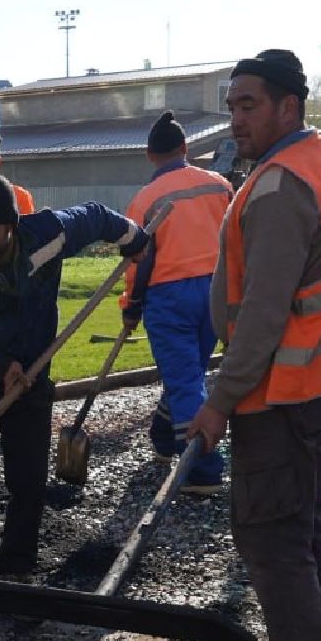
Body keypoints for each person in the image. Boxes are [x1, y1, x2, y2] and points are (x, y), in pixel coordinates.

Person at [183, 49, 321, 641]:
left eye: (248, 104)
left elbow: (260, 311)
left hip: (281, 388)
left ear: (289, 105)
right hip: (315, 379)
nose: (235, 119)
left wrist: (217, 401)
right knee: (303, 524)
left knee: (270, 535)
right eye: (230, 106)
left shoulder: (280, 184)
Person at [0, 171, 152, 635]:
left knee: (28, 481)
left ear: (11, 225)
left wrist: (135, 240)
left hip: (32, 376)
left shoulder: (48, 234)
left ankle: (15, 574)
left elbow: (97, 217)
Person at [122, 109, 233, 494]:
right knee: (188, 373)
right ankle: (165, 438)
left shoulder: (146, 198)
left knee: (185, 379)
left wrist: (130, 306)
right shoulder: (220, 185)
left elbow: (139, 260)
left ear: (150, 154)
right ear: (185, 147)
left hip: (171, 295)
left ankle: (202, 469)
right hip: (218, 291)